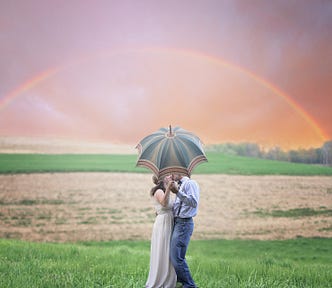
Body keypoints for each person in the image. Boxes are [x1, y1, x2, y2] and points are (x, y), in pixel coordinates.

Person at [145, 175, 177, 288]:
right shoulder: (159, 191)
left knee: (168, 250)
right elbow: (164, 203)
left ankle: (170, 279)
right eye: (167, 176)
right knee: (163, 249)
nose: (170, 176)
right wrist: (168, 188)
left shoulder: (164, 191)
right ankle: (161, 280)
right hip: (163, 223)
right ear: (162, 179)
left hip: (168, 221)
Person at [169, 174, 199, 288]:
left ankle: (189, 285)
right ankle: (182, 284)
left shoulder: (190, 183)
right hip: (178, 223)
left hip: (184, 223)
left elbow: (194, 202)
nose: (171, 174)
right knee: (175, 256)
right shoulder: (180, 185)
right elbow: (178, 206)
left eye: (173, 171)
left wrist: (177, 192)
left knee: (177, 257)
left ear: (180, 170)